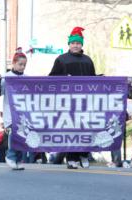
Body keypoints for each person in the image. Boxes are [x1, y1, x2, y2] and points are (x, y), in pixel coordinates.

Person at [49, 27, 95, 169]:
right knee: (71, 129)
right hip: (68, 102)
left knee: (85, 128)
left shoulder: (88, 60)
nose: (75, 45)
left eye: (78, 43)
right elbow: (51, 78)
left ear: (82, 44)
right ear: (69, 44)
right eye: (73, 43)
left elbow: (93, 79)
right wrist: (64, 78)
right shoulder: (61, 59)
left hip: (85, 101)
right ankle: (71, 158)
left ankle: (83, 154)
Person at [3, 47, 27, 170]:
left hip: (23, 112)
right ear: (13, 63)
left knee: (22, 136)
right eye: (20, 64)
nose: (22, 67)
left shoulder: (27, 78)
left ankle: (18, 159)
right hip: (10, 112)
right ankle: (10, 156)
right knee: (14, 134)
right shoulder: (6, 77)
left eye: (24, 65)